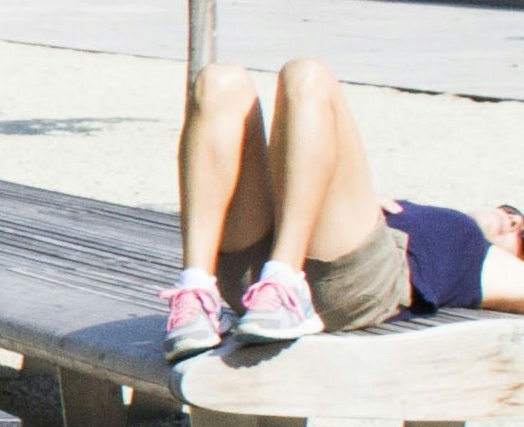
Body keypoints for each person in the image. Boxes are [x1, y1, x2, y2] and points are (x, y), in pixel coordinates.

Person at [166, 56, 524, 355]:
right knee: (219, 81)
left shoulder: (478, 257)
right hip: (253, 276)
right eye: (514, 213)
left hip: (344, 281)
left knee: (309, 75)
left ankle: (285, 283)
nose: (512, 222)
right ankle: (196, 292)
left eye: (522, 236)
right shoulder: (391, 207)